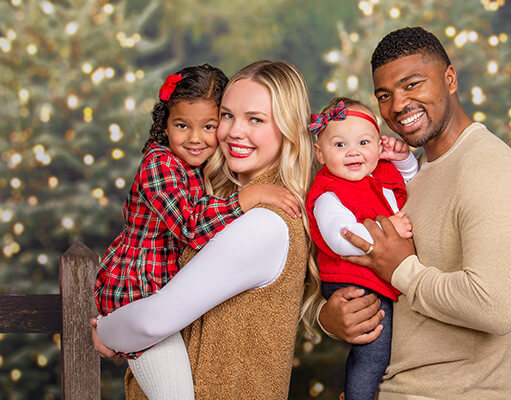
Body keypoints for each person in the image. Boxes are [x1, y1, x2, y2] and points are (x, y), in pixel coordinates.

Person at [92, 60, 383, 399]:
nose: (234, 132)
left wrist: (108, 330)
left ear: (287, 129)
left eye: (255, 119)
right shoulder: (221, 198)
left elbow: (153, 320)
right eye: (227, 115)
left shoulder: (265, 221)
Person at [316, 26, 511, 399]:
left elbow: (498, 308)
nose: (398, 105)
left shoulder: (489, 167)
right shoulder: (401, 172)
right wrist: (330, 318)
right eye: (384, 95)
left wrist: (402, 270)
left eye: (413, 84)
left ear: (449, 79)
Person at [305, 97, 419, 400]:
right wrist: (389, 229)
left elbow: (412, 185)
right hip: (353, 282)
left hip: (380, 277)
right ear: (320, 153)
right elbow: (340, 237)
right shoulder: (329, 192)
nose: (353, 151)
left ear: (378, 147)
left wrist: (404, 160)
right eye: (340, 145)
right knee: (374, 353)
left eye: (364, 142)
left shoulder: (379, 174)